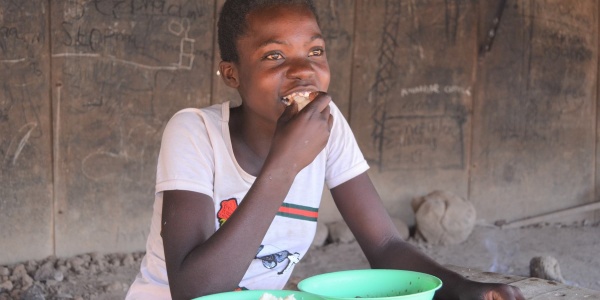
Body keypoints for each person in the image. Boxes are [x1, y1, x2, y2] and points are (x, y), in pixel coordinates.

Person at [126, 0, 525, 299]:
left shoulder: (328, 127)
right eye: (274, 55)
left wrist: (465, 289)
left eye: (314, 51)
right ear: (232, 74)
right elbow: (196, 291)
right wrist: (286, 162)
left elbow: (385, 246)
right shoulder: (195, 132)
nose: (303, 70)